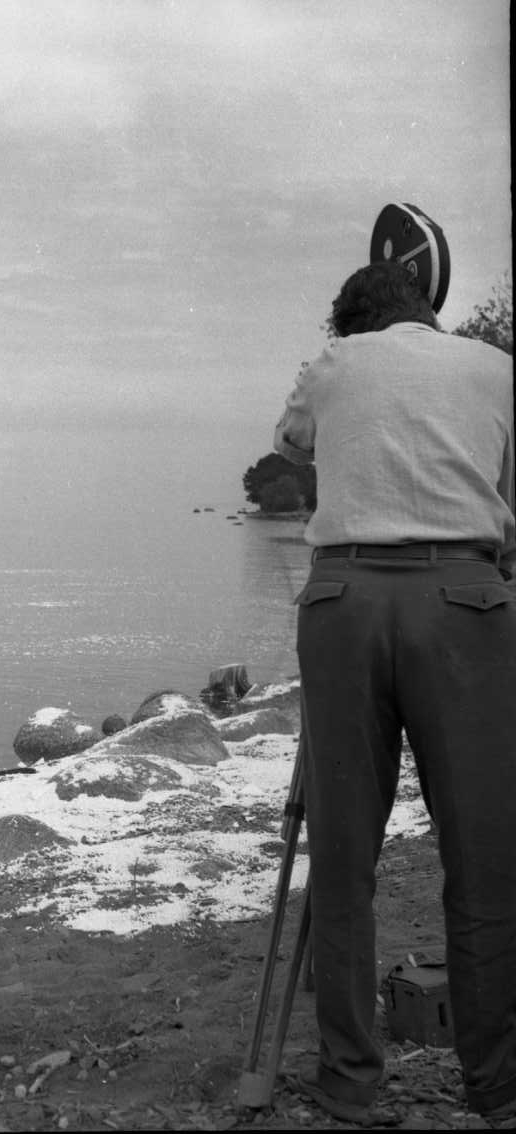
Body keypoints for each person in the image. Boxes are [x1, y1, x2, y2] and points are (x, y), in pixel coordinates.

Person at [273, 260, 516, 1123]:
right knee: (485, 858)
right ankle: (496, 1084)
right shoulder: (495, 366)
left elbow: (290, 442)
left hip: (346, 602)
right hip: (465, 597)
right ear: (428, 310)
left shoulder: (334, 366)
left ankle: (349, 1079)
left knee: (343, 858)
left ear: (353, 323)